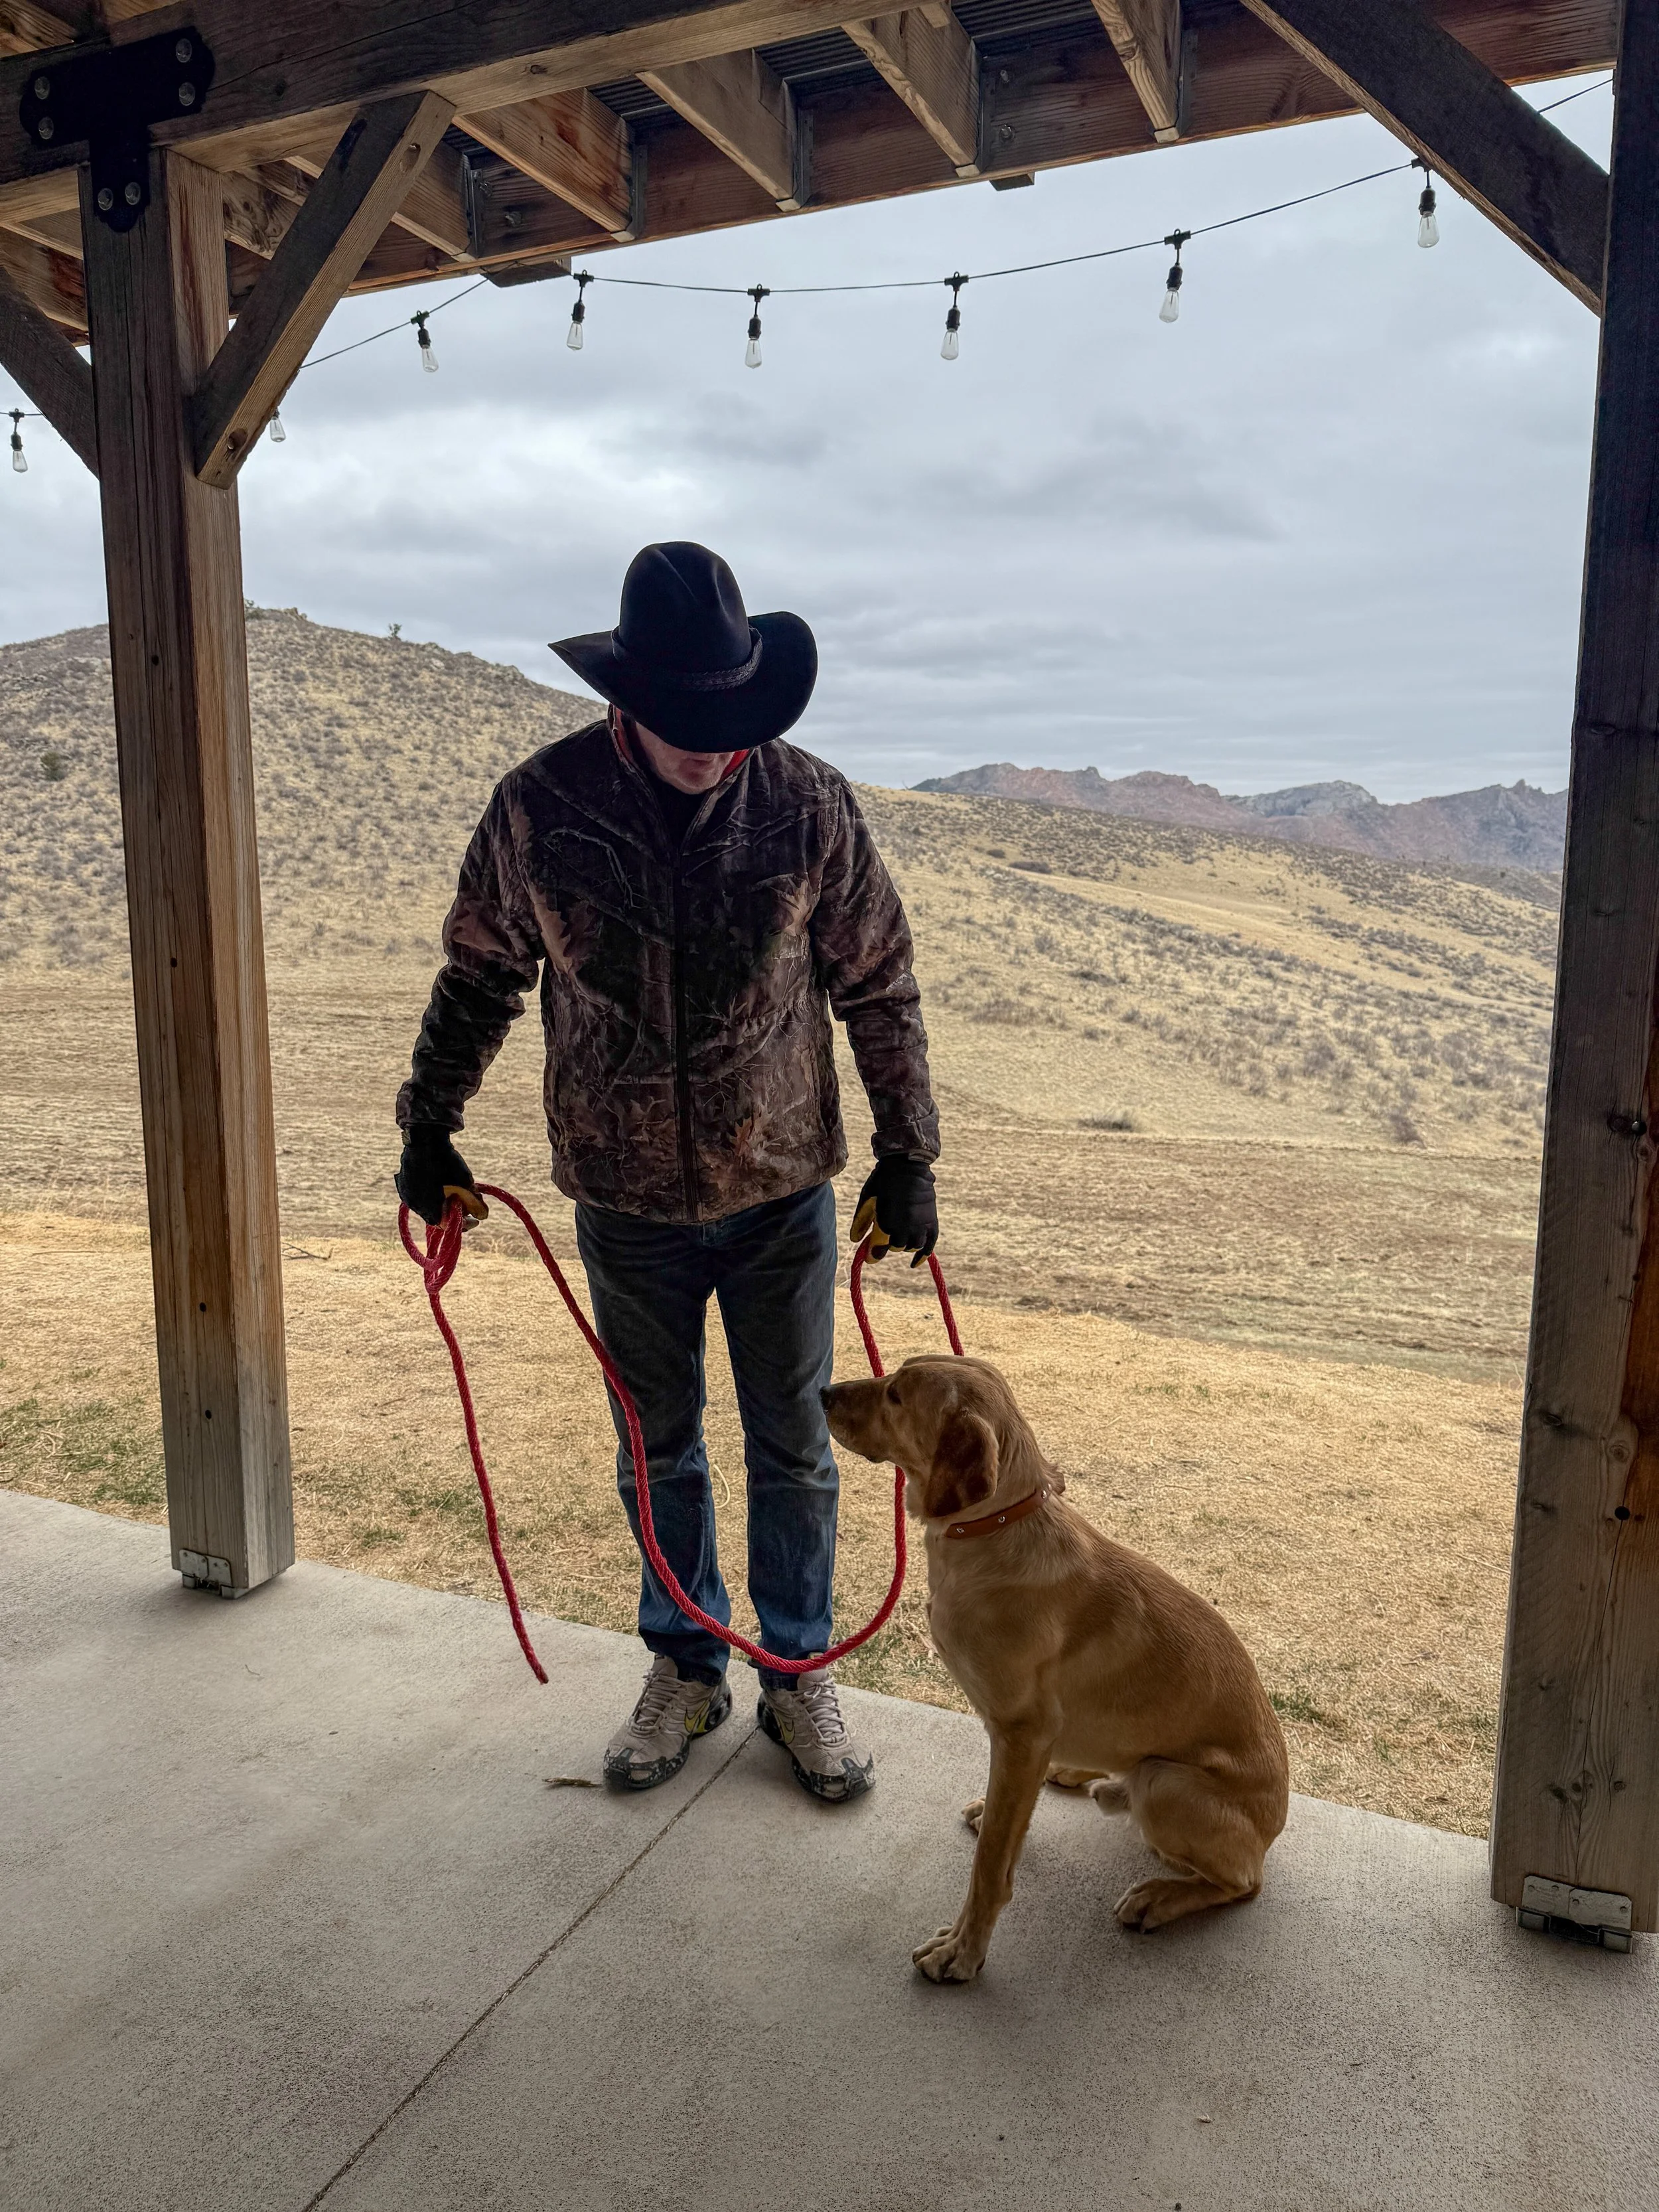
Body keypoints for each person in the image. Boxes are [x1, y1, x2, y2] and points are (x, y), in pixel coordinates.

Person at [395, 543, 941, 1803]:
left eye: (732, 718)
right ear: (627, 700)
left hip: (782, 1191)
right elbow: (481, 974)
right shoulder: (540, 808)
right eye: (686, 719)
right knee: (659, 1447)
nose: (713, 745)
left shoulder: (809, 805)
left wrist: (909, 1152)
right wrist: (428, 1124)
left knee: (797, 1445)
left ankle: (795, 1670)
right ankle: (687, 1666)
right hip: (622, 1198)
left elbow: (880, 984)